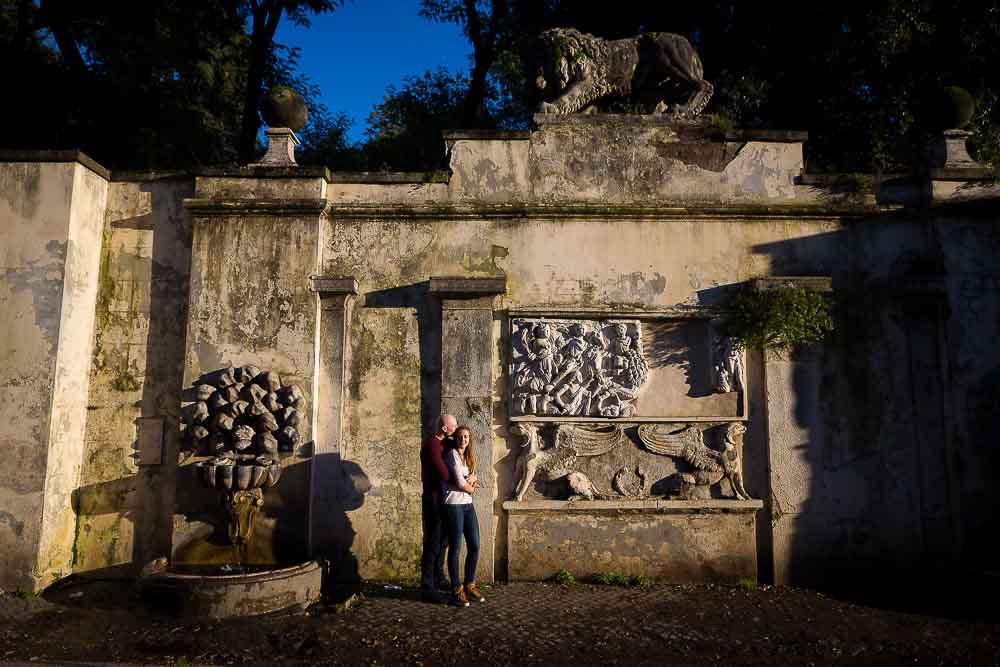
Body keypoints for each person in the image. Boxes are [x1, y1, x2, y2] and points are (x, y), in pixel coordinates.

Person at [442, 425, 485, 607]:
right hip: (454, 505)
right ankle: (456, 590)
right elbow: (461, 482)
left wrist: (473, 480)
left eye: (466, 437)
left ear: (469, 439)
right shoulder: (452, 454)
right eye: (460, 436)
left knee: (474, 545)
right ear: (455, 438)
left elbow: (474, 476)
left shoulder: (468, 457)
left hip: (467, 505)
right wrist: (472, 486)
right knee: (456, 548)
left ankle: (469, 585)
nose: (463, 440)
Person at [420, 414, 455, 603]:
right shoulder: (432, 445)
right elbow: (444, 473)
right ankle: (427, 587)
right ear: (444, 428)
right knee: (433, 541)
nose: (456, 428)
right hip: (433, 500)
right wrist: (461, 479)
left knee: (443, 541)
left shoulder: (446, 444)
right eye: (453, 425)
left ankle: (439, 577)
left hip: (444, 499)